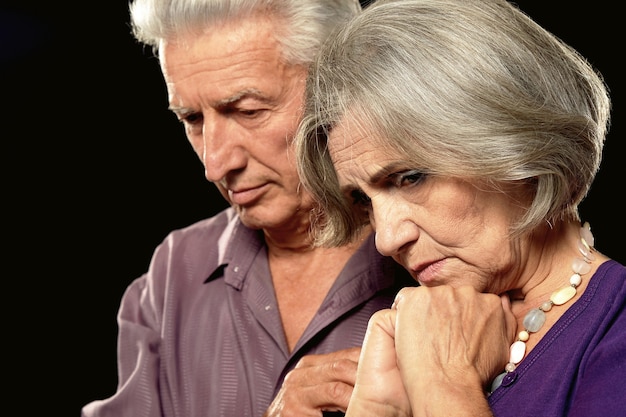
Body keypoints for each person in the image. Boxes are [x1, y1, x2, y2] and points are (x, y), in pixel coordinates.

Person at [81, 1, 417, 416]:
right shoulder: (173, 273)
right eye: (192, 119)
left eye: (247, 111)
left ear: (340, 88)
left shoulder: (444, 254)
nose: (215, 165)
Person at [294, 0, 626, 415]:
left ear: (514, 144)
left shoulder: (615, 333)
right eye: (364, 200)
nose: (386, 239)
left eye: (411, 178)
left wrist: (444, 383)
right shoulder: (410, 335)